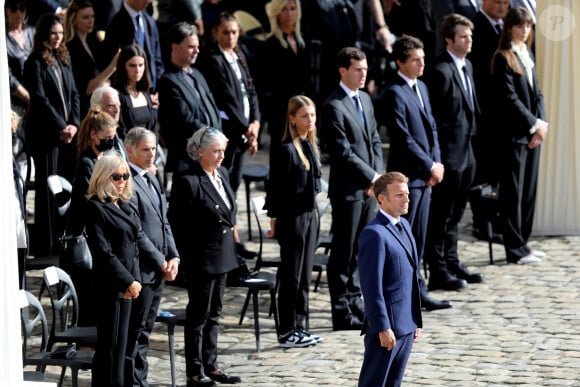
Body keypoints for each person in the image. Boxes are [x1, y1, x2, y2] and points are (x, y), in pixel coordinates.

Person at [384, 35, 455, 308]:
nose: (422, 63)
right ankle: (403, 294)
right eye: (415, 60)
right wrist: (428, 165)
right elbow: (403, 138)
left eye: (423, 58)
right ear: (400, 62)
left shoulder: (422, 87)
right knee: (405, 238)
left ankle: (417, 291)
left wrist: (437, 163)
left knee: (419, 239)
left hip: (426, 177)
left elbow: (432, 128)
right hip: (409, 178)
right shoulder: (394, 92)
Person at [84, 151, 166, 386]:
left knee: (123, 346)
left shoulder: (124, 205)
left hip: (130, 285)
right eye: (116, 177)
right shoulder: (95, 208)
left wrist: (137, 279)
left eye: (125, 176)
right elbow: (103, 252)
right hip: (111, 286)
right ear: (102, 177)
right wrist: (128, 281)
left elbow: (138, 241)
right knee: (110, 347)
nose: (121, 182)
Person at [168, 128, 241, 387]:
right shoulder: (188, 181)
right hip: (202, 258)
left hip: (222, 255)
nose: (221, 155)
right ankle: (195, 371)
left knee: (215, 313)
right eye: (216, 151)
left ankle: (211, 364)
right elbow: (176, 223)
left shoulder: (222, 173)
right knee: (198, 315)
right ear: (201, 152)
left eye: (223, 150)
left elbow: (230, 212)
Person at [322, 46, 383, 330]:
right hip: (348, 190)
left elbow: (373, 139)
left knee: (362, 250)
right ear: (343, 71)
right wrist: (371, 177)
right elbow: (342, 152)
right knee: (343, 252)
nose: (363, 75)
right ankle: (340, 309)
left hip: (369, 190)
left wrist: (378, 177)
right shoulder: (333, 105)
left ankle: (356, 301)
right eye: (357, 69)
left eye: (365, 69)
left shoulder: (366, 100)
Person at [423, 14, 484, 289]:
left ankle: (451, 259)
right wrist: (438, 156)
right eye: (463, 36)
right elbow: (434, 117)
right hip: (448, 154)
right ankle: (437, 268)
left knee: (458, 212)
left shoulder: (467, 65)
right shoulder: (440, 70)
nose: (468, 39)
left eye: (470, 35)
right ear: (449, 39)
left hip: (467, 152)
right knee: (441, 214)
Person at [265, 95, 323, 348]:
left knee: (304, 276)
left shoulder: (308, 144)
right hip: (293, 218)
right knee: (291, 276)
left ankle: (301, 326)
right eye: (304, 116)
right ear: (292, 118)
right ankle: (287, 330)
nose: (309, 120)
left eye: (312, 115)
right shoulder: (285, 150)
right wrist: (274, 221)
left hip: (310, 215)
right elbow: (275, 190)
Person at [491, 6, 547, 264]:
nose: (524, 31)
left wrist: (541, 123)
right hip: (513, 137)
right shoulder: (504, 57)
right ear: (509, 28)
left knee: (528, 192)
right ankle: (513, 248)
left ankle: (524, 244)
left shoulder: (527, 54)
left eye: (527, 26)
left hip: (532, 135)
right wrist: (532, 123)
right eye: (519, 26)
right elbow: (509, 99)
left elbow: (537, 94)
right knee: (513, 194)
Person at [124, 127, 180, 386]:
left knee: (146, 330)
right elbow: (137, 231)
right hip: (142, 269)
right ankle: (135, 382)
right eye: (145, 149)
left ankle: (141, 380)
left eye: (154, 149)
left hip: (160, 268)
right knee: (135, 333)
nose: (151, 154)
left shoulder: (153, 178)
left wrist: (174, 257)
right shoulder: (126, 181)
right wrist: (161, 261)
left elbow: (164, 222)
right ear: (130, 150)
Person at [358, 171, 422, 387]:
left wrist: (415, 320)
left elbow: (411, 276)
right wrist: (383, 327)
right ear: (382, 199)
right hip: (387, 329)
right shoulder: (374, 233)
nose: (406, 200)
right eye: (399, 196)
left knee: (394, 382)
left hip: (406, 323)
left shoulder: (404, 225)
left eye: (407, 194)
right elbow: (371, 287)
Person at [23, 13, 80, 256]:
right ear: (44, 35)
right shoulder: (34, 62)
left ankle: (63, 237)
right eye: (53, 33)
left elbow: (75, 94)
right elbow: (39, 99)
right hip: (46, 136)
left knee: (66, 186)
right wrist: (61, 125)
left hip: (67, 135)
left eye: (60, 33)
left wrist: (74, 124)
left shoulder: (63, 59)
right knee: (48, 189)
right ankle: (46, 244)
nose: (57, 38)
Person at [64, 105, 118, 326]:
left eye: (112, 137)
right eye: (106, 137)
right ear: (94, 135)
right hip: (85, 240)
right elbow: (90, 201)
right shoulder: (87, 163)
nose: (110, 142)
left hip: (99, 236)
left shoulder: (102, 159)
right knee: (88, 304)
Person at [200, 11, 260, 193]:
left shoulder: (238, 55)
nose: (230, 37)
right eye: (225, 32)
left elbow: (251, 90)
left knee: (235, 181)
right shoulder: (214, 60)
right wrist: (248, 130)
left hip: (244, 130)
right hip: (229, 130)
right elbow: (228, 99)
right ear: (215, 33)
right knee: (224, 181)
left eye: (234, 32)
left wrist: (256, 123)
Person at [467, 0, 509, 241]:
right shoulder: (475, 28)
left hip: (501, 116)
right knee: (483, 174)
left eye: (506, 2)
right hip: (484, 115)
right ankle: (483, 224)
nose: (502, 6)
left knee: (498, 174)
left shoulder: (505, 27)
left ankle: (497, 221)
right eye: (498, 1)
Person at [157, 22, 221, 177]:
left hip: (209, 153)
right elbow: (185, 119)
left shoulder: (197, 74)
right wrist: (212, 137)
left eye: (197, 46)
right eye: (191, 46)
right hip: (188, 160)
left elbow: (212, 108)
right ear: (175, 47)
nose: (197, 51)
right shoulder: (168, 81)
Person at [261, 0, 311, 170]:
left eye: (292, 9)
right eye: (284, 10)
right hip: (280, 111)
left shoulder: (303, 40)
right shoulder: (270, 44)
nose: (289, 14)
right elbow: (266, 83)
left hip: (302, 109)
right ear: (276, 13)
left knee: (302, 156)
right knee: (281, 157)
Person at [64, 0, 119, 118]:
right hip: (83, 111)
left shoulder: (94, 41)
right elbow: (86, 88)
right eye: (85, 17)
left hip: (100, 106)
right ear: (73, 20)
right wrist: (112, 67)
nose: (91, 21)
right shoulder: (70, 48)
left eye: (92, 16)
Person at [102, 0, 164, 96]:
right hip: (128, 94)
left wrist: (156, 90)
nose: (148, 1)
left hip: (151, 92)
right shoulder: (116, 23)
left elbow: (157, 59)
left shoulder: (149, 21)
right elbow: (110, 60)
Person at [112, 44, 158, 139]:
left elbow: (153, 128)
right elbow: (121, 131)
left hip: (150, 150)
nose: (137, 70)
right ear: (123, 66)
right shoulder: (117, 95)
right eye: (132, 66)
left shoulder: (146, 93)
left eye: (141, 65)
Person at [5, 0, 35, 115]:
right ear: (7, 11)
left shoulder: (32, 32)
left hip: (38, 95)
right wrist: (27, 97)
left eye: (21, 9)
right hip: (15, 101)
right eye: (14, 9)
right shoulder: (3, 37)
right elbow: (7, 75)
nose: (18, 13)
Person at [90, 85, 129, 159]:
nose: (117, 110)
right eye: (111, 106)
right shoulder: (94, 140)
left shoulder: (119, 132)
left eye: (118, 106)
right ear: (97, 107)